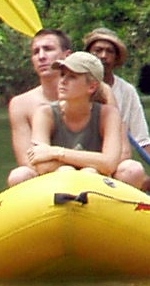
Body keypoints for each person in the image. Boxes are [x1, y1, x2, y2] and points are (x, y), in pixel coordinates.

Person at [8, 50, 126, 185]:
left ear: (92, 86)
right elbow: (40, 163)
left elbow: (109, 164)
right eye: (62, 75)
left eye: (72, 77)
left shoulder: (109, 114)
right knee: (19, 175)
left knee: (128, 169)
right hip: (56, 180)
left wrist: (56, 153)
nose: (63, 81)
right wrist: (74, 167)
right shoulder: (44, 113)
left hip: (96, 180)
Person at [80, 27, 150, 191]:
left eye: (109, 52)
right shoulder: (74, 85)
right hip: (82, 158)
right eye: (98, 51)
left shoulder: (127, 91)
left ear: (116, 58)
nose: (103, 56)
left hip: (116, 160)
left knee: (144, 180)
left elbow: (141, 138)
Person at [5, 27, 70, 177]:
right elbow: (27, 161)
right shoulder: (20, 103)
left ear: (66, 56)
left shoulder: (90, 93)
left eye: (48, 49)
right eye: (36, 52)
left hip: (90, 172)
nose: (41, 56)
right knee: (19, 174)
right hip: (43, 174)